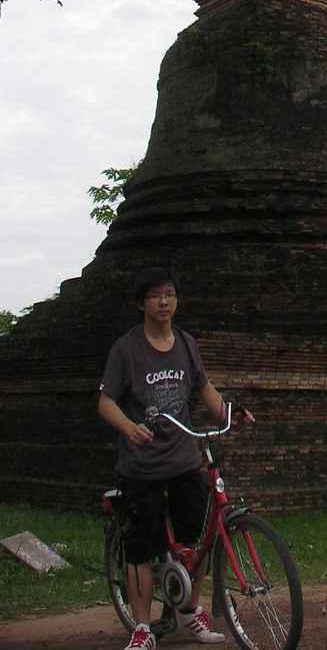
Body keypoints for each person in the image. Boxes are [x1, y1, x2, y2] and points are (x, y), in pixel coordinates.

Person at [98, 267, 254, 650]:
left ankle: (188, 611)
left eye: (169, 294)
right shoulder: (126, 349)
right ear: (142, 304)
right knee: (141, 547)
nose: (164, 302)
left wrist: (229, 415)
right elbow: (105, 402)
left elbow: (204, 388)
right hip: (143, 464)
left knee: (196, 542)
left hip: (184, 458)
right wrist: (129, 427)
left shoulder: (186, 344)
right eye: (155, 296)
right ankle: (142, 627)